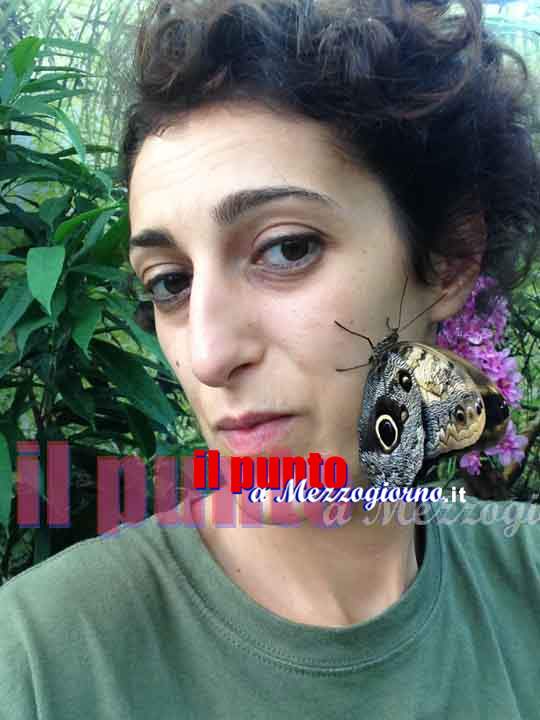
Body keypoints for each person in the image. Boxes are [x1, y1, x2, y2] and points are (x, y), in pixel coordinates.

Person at [1, 0, 540, 717]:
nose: (208, 354)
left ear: (449, 258)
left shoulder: (525, 583)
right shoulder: (41, 660)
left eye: (286, 248)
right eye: (169, 283)